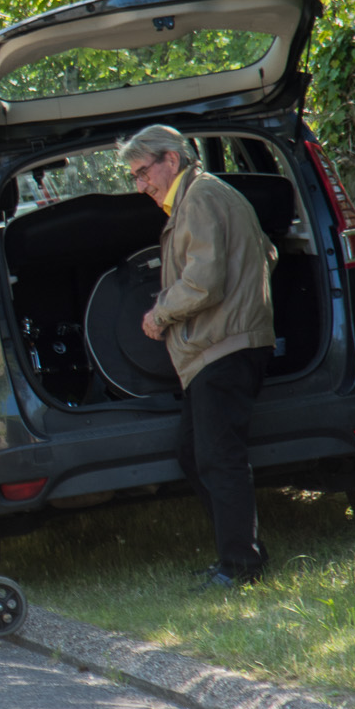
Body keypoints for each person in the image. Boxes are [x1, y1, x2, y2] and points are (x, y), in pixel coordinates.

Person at [122, 124, 278, 588]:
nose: (140, 185)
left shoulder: (201, 199)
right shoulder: (205, 197)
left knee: (218, 458)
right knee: (194, 454)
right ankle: (243, 552)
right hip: (218, 348)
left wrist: (161, 314)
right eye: (133, 177)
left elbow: (204, 281)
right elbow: (267, 253)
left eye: (143, 172)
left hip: (222, 348)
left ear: (171, 159)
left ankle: (241, 567)